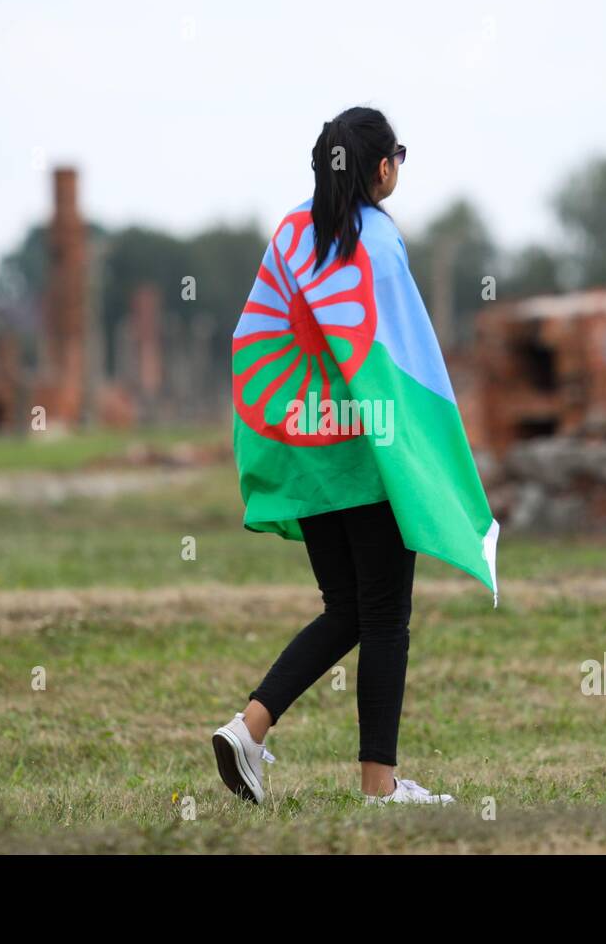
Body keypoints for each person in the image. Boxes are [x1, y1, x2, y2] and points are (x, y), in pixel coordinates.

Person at [214, 105, 498, 806]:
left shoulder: (287, 234)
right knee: (385, 620)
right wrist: (428, 453)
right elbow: (402, 359)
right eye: (398, 153)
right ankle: (380, 788)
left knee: (345, 609)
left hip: (306, 452)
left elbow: (258, 342)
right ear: (381, 168)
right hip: (367, 457)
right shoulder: (378, 240)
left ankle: (248, 728)